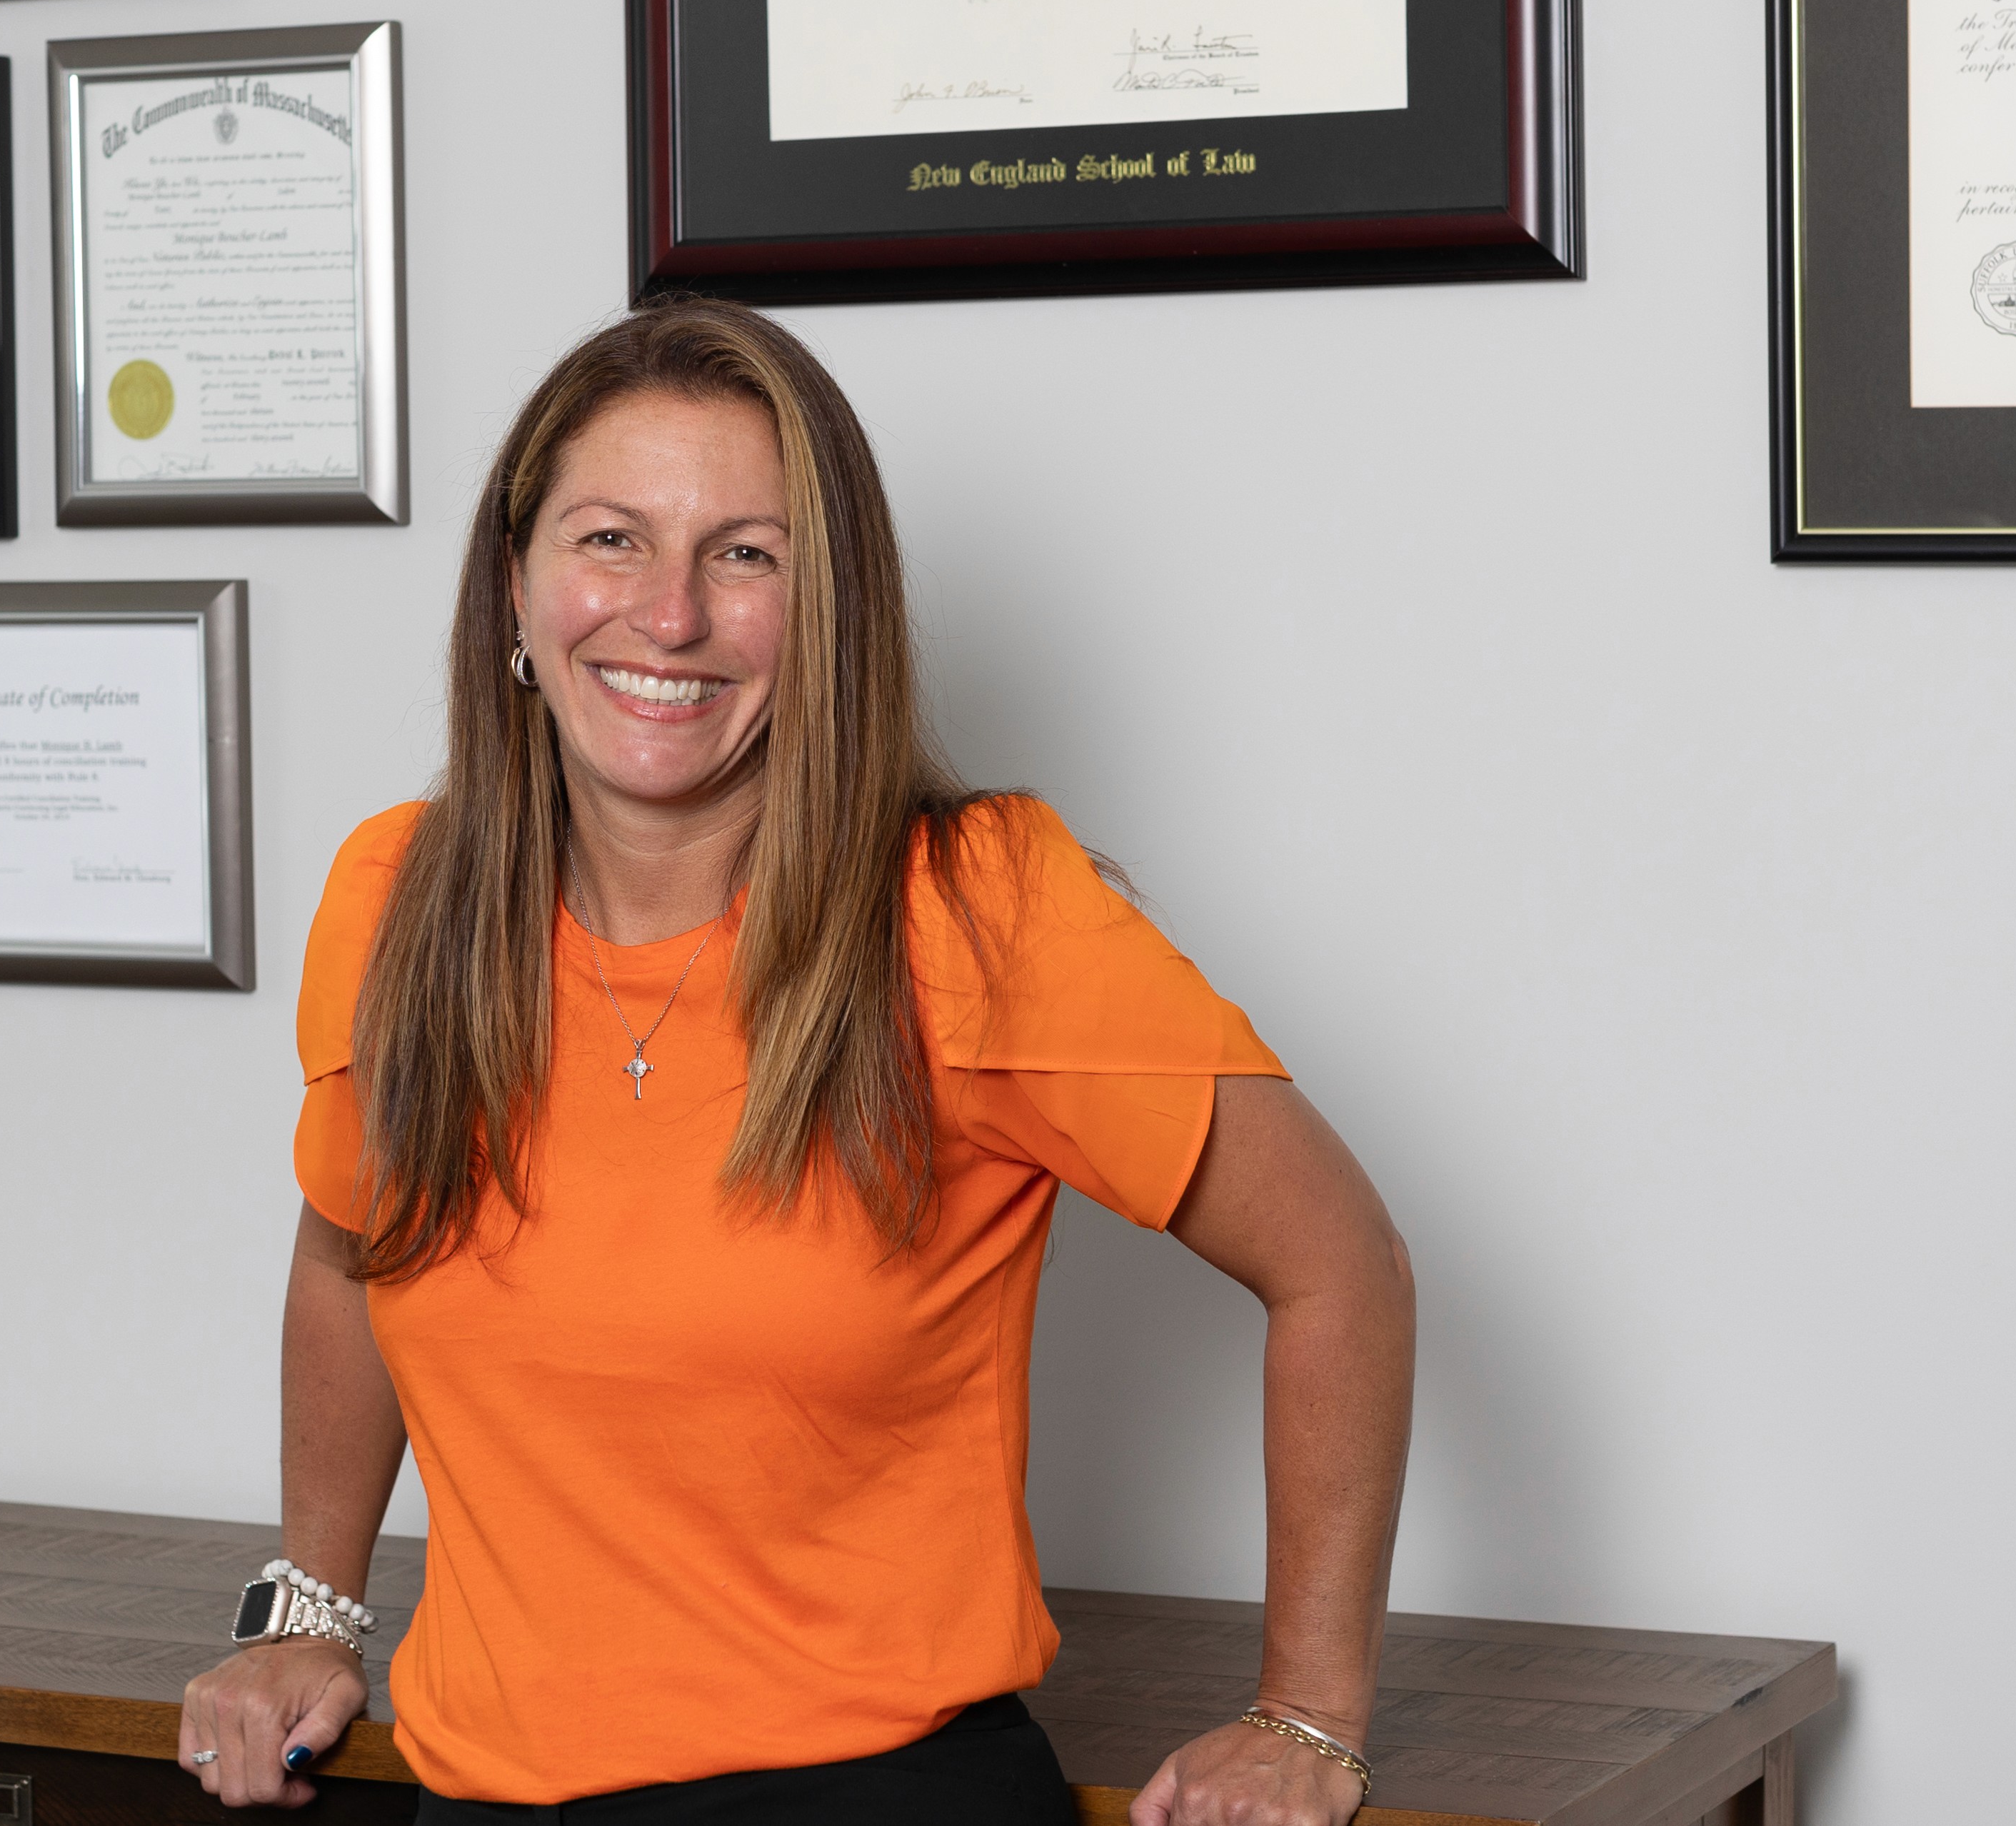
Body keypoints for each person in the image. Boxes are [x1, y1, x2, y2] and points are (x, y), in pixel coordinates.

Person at [181, 301, 1415, 1825]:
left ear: (825, 608)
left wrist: (1308, 1714)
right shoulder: (395, 898)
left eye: (744, 554)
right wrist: (310, 1605)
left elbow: (1337, 1264)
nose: (671, 615)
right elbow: (354, 1244)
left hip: (875, 1797)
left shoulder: (978, 909)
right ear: (516, 584)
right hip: (484, 1799)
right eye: (610, 539)